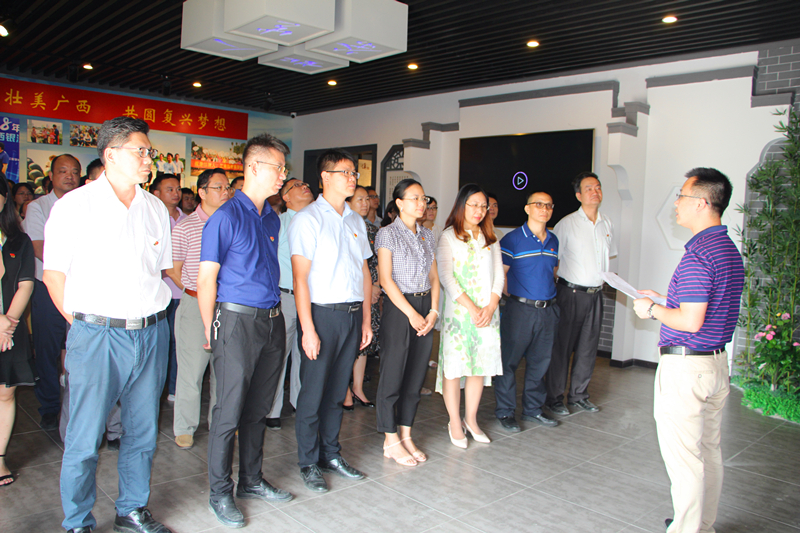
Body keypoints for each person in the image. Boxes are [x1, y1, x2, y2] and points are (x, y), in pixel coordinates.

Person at [44, 116, 173, 533]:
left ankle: (131, 509)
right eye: (141, 151)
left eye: (149, 151)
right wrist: (86, 325)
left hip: (151, 332)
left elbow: (158, 272)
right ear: (111, 154)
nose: (148, 159)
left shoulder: (155, 208)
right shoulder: (75, 206)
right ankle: (77, 521)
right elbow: (54, 276)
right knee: (85, 437)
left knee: (143, 432)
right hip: (97, 334)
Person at [633, 168, 744, 533]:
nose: (676, 203)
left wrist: (651, 309)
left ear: (701, 203)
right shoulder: (727, 249)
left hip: (687, 370)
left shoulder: (699, 254)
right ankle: (701, 524)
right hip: (715, 365)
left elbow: (691, 321)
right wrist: (664, 299)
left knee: (685, 460)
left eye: (681, 196)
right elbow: (708, 307)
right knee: (708, 451)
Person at [198, 133, 293, 528]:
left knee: (258, 409)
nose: (283, 175)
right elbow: (207, 279)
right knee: (229, 410)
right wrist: (211, 329)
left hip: (272, 321)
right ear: (253, 167)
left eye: (284, 168)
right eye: (278, 168)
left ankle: (252, 480)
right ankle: (220, 492)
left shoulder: (271, 216)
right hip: (236, 322)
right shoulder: (225, 217)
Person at [289, 148, 372, 493]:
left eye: (354, 173)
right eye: (345, 172)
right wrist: (308, 328)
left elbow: (364, 272)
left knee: (338, 392)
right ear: (324, 177)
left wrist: (366, 321)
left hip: (351, 316)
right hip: (321, 315)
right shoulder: (307, 219)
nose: (352, 178)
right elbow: (300, 279)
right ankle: (308, 462)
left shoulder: (355, 220)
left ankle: (331, 454)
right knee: (313, 393)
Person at [375, 179, 439, 466]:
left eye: (423, 199)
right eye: (415, 198)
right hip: (400, 308)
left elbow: (434, 277)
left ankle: (406, 434)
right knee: (393, 374)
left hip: (425, 307)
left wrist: (433, 311)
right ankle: (390, 439)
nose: (421, 204)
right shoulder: (387, 234)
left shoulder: (427, 235)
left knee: (415, 376)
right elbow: (386, 280)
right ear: (399, 203)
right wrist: (411, 313)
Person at [436, 184, 503, 448]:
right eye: (473, 204)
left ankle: (471, 420)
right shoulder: (448, 236)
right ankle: (454, 422)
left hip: (487, 314)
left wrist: (491, 306)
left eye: (483, 206)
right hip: (459, 315)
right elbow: (446, 277)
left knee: (479, 367)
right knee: (454, 369)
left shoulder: (490, 237)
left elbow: (499, 275)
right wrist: (472, 308)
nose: (479, 210)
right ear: (461, 205)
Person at [168, 168, 229, 450]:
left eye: (227, 187)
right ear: (202, 192)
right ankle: (185, 427)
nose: (225, 192)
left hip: (227, 305)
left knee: (224, 369)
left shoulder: (231, 223)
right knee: (192, 370)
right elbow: (173, 269)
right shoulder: (185, 227)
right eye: (218, 187)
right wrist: (199, 292)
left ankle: (220, 423)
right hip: (194, 304)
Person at [545, 171, 616, 416]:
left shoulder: (607, 223)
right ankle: (554, 398)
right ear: (578, 195)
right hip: (570, 294)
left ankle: (579, 395)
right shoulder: (566, 224)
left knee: (588, 348)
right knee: (562, 348)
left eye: (598, 187)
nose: (595, 192)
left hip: (596, 295)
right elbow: (553, 262)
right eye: (589, 189)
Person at [23, 153, 80, 430]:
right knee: (47, 348)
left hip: (81, 289)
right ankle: (49, 406)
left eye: (75, 171)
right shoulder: (38, 207)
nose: (70, 176)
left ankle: (76, 407)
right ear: (51, 176)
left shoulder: (86, 205)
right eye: (63, 171)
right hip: (48, 287)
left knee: (77, 348)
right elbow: (39, 248)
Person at [495, 192, 560, 432]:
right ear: (527, 209)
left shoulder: (553, 240)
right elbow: (501, 275)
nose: (544, 209)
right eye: (538, 204)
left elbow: (552, 272)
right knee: (509, 363)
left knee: (540, 363)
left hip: (548, 312)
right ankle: (505, 411)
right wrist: (517, 298)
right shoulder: (512, 240)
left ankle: (533, 409)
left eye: (549, 205)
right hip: (520, 310)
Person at [265, 178, 314, 430]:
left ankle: (299, 402)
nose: (305, 187)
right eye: (297, 186)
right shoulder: (278, 222)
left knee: (306, 354)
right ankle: (271, 410)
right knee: (279, 354)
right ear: (285, 197)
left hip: (312, 297)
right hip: (284, 296)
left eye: (305, 183)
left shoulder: (317, 220)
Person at [0, 177, 36, 487]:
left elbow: (26, 284)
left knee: (5, 393)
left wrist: (7, 322)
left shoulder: (18, 240)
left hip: (9, 330)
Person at [151, 174, 187, 402]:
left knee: (179, 344)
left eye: (178, 189)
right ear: (156, 193)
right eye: (170, 189)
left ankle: (174, 388)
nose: (176, 193)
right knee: (160, 344)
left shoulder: (187, 220)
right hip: (160, 293)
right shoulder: (151, 219)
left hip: (182, 292)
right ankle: (157, 389)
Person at [342, 185, 378, 411]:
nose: (365, 203)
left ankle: (358, 388)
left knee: (364, 343)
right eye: (359, 199)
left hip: (370, 291)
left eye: (367, 199)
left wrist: (377, 286)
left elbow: (379, 262)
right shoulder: (343, 224)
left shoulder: (372, 229)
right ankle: (344, 389)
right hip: (351, 292)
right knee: (347, 345)